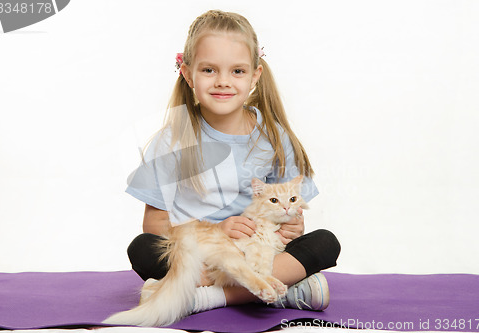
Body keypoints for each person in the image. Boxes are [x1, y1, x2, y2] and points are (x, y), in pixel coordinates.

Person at [125, 9, 341, 315]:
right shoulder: (171, 141)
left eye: (237, 71)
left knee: (324, 243)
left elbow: (293, 213)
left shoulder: (274, 137)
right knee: (143, 248)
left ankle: (204, 296)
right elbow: (155, 224)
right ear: (187, 73)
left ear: (254, 76)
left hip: (260, 252)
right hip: (206, 254)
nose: (223, 82)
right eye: (209, 70)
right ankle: (283, 291)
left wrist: (291, 226)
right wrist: (217, 231)